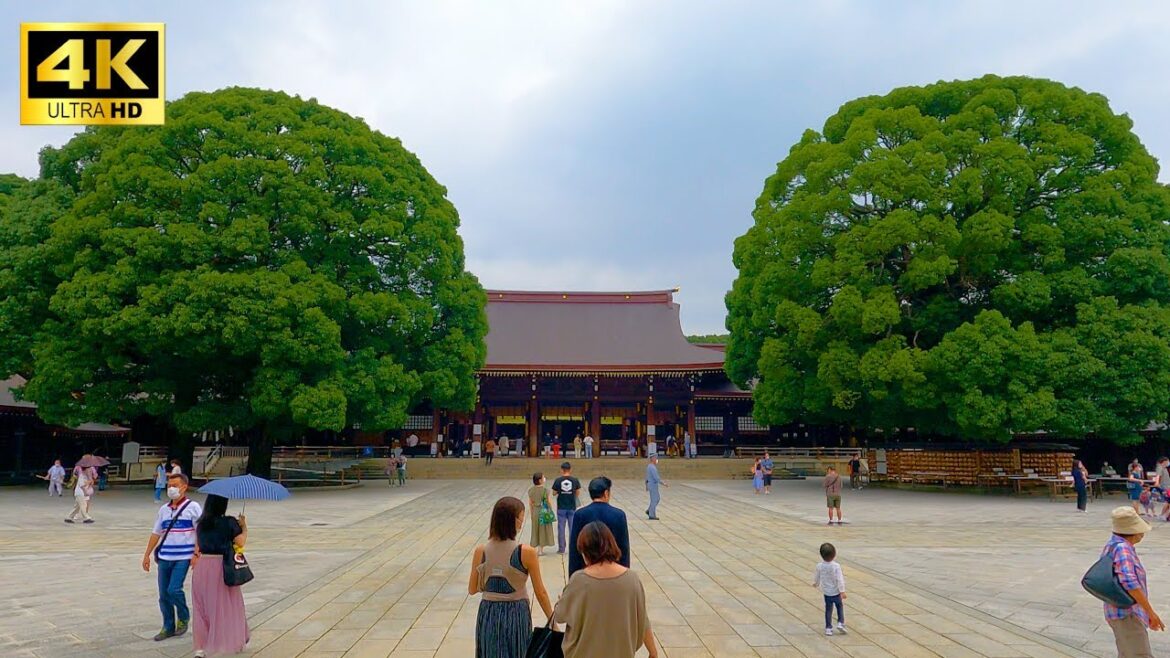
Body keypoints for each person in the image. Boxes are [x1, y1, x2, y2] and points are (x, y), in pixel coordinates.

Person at [554, 522, 657, 658]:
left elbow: (560, 616)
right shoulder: (632, 579)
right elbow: (643, 619)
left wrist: (562, 600)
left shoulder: (579, 580)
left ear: (585, 552)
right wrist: (653, 651)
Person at [469, 496, 554, 658]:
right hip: (516, 612)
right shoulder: (526, 552)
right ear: (514, 521)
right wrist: (552, 619)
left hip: (488, 612)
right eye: (521, 516)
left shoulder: (481, 550)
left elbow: (472, 589)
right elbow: (540, 592)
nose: (523, 520)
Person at [142, 473, 203, 642]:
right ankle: (168, 626)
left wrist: (196, 553)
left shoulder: (193, 507)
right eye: (169, 486)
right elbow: (156, 532)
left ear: (184, 487)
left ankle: (183, 616)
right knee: (163, 594)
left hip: (183, 556)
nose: (171, 489)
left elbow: (200, 531)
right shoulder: (164, 510)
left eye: (174, 485)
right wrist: (147, 554)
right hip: (164, 557)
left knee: (174, 589)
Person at [1101, 506, 1164, 656]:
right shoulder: (1123, 548)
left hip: (1117, 611)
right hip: (1127, 613)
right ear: (1132, 531)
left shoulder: (1112, 545)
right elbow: (1130, 583)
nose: (1142, 533)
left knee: (1127, 653)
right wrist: (1151, 613)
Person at [192, 494, 249, 657]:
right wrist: (244, 527)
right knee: (227, 604)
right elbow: (240, 542)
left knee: (202, 606)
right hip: (221, 566)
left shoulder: (201, 524)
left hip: (202, 566)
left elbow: (198, 545)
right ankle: (230, 639)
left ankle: (201, 647)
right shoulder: (229, 522)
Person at [568, 477, 631, 576]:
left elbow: (575, 549)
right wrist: (624, 573)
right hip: (612, 572)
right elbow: (623, 548)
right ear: (606, 493)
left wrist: (573, 577)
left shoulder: (580, 515)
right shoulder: (618, 515)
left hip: (587, 572)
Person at [813, 542, 847, 636]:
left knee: (828, 609)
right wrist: (842, 591)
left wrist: (816, 583)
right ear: (834, 554)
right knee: (839, 607)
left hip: (827, 592)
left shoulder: (819, 566)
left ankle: (828, 628)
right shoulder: (836, 566)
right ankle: (840, 622)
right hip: (836, 592)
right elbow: (839, 579)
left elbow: (817, 576)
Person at [552, 462, 582, 555]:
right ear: (570, 469)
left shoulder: (558, 480)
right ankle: (573, 548)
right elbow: (577, 493)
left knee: (561, 527)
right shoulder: (575, 480)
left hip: (561, 506)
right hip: (571, 506)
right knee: (572, 528)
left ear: (562, 470)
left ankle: (561, 549)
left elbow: (554, 493)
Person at [527, 473, 555, 555]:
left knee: (535, 529)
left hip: (535, 511)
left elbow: (530, 503)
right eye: (543, 477)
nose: (544, 478)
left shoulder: (531, 490)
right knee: (543, 530)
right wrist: (550, 510)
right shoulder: (546, 491)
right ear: (540, 480)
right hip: (544, 511)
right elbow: (549, 502)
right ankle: (540, 550)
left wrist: (532, 513)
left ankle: (535, 546)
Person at [645, 455, 666, 520]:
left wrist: (646, 484)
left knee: (656, 498)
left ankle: (649, 510)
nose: (657, 460)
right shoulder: (652, 467)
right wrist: (663, 483)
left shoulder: (650, 466)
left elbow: (646, 477)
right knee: (655, 499)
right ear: (652, 459)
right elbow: (656, 477)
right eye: (655, 458)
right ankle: (651, 515)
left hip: (651, 484)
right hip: (652, 485)